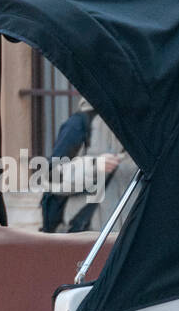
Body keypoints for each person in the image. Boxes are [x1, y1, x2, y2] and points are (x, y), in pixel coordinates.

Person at [39, 98, 136, 233]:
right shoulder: (79, 124)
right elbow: (51, 178)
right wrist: (93, 166)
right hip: (84, 235)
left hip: (129, 235)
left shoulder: (144, 125)